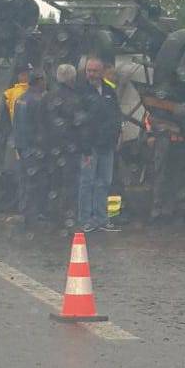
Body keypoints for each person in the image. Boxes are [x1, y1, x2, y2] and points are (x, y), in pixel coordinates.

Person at [74, 54, 123, 234]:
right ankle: (85, 220)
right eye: (89, 70)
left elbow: (116, 115)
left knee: (104, 182)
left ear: (102, 71)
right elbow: (79, 122)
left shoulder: (110, 92)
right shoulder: (81, 92)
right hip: (90, 147)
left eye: (95, 71)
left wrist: (118, 135)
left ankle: (102, 219)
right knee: (87, 182)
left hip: (107, 145)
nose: (91, 74)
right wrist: (85, 148)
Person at [10, 69, 47, 226]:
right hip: (34, 147)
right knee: (34, 182)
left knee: (24, 180)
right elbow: (40, 126)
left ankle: (24, 212)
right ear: (39, 82)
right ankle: (32, 216)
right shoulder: (37, 100)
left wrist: (19, 145)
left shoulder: (20, 99)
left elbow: (16, 124)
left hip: (22, 146)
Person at [46, 64, 80, 227]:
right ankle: (68, 216)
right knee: (69, 183)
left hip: (52, 147)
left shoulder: (49, 95)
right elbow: (77, 122)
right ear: (72, 78)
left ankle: (53, 215)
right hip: (69, 147)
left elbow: (42, 121)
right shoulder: (73, 97)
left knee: (54, 182)